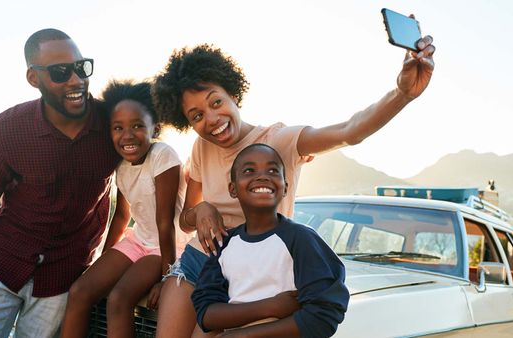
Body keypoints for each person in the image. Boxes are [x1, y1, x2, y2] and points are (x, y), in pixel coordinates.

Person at [152, 34, 435, 337]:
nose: (211, 119)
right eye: (197, 116)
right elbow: (186, 220)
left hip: (251, 278)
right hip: (197, 264)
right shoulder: (201, 148)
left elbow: (350, 131)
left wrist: (403, 94)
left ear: (233, 94)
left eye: (216, 102)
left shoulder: (278, 140)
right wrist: (202, 209)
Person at [0, 28, 121, 337]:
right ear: (33, 78)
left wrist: (105, 266)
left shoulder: (113, 126)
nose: (75, 80)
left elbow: (132, 196)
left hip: (64, 274)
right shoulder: (7, 129)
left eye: (81, 67)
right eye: (60, 72)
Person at [59, 80, 192, 338]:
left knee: (119, 299)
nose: (127, 135)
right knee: (79, 292)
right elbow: (122, 215)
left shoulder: (163, 155)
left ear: (155, 126)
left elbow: (165, 223)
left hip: (168, 247)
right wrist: (106, 259)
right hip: (138, 240)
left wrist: (167, 278)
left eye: (137, 126)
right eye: (118, 128)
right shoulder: (120, 164)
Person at [191, 143, 349, 337]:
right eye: (249, 170)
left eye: (273, 170)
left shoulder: (301, 239)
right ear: (233, 189)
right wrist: (271, 307)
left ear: (285, 187)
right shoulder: (225, 245)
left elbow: (323, 315)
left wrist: (242, 336)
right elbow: (206, 313)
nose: (262, 176)